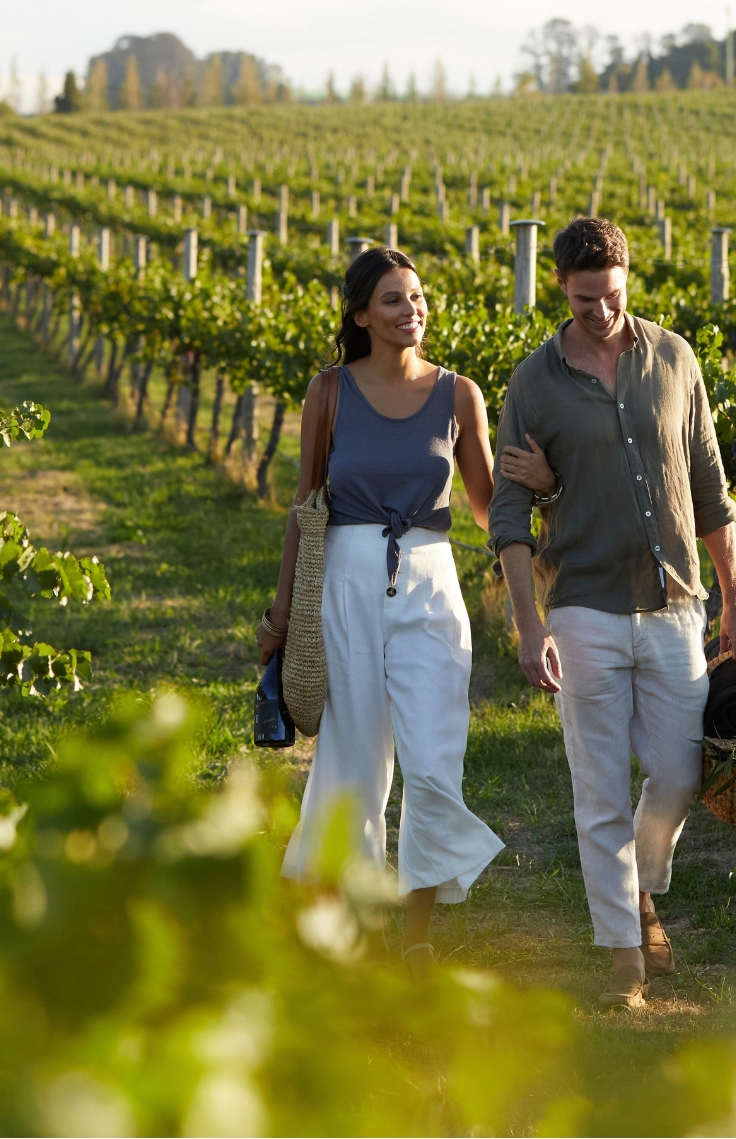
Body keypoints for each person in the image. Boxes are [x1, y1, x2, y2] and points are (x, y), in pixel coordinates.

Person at [489, 217, 736, 1010]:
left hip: (676, 601)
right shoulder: (532, 384)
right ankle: (624, 963)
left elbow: (710, 489)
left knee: (679, 777)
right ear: (560, 290)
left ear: (628, 278)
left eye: (611, 296)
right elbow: (509, 515)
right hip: (582, 608)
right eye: (584, 302)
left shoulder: (675, 358)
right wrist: (527, 622)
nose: (601, 313)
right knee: (600, 790)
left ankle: (641, 892)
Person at [259, 246, 554, 977]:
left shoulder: (459, 394)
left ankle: (415, 928)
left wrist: (544, 490)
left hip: (429, 578)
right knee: (353, 759)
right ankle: (351, 914)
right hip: (349, 580)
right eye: (392, 299)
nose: (411, 310)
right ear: (361, 315)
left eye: (417, 297)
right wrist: (281, 610)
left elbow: (487, 507)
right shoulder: (328, 391)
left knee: (433, 759)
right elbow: (306, 505)